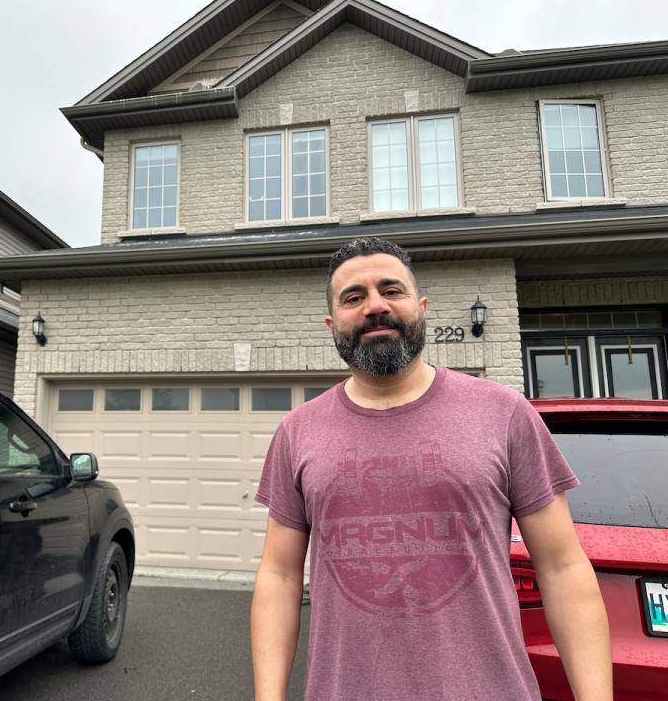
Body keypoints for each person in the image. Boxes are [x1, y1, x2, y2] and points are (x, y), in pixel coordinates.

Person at [250, 237, 611, 701]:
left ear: (421, 306)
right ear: (331, 322)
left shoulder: (504, 412)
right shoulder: (297, 431)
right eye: (353, 297)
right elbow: (279, 576)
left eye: (391, 290)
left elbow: (562, 567)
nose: (374, 306)